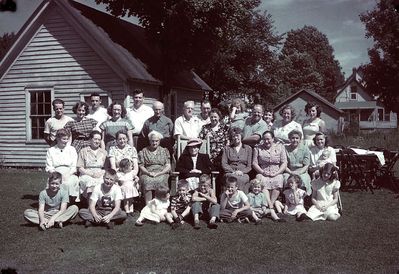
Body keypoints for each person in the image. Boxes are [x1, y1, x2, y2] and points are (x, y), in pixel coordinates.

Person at [252, 131, 287, 214]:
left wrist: (278, 172)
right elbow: (254, 163)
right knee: (260, 179)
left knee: (279, 179)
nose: (266, 141)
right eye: (264, 139)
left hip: (276, 171)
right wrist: (262, 172)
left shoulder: (280, 147)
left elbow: (284, 162)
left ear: (273, 139)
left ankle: (270, 204)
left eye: (268, 139)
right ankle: (270, 204)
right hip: (263, 171)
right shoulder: (258, 148)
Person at [45, 128, 79, 201]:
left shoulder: (72, 149)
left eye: (67, 139)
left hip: (69, 173)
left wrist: (68, 174)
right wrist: (56, 175)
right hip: (55, 174)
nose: (66, 141)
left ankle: (68, 202)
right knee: (56, 183)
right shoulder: (51, 150)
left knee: (69, 182)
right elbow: (49, 167)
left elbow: (74, 166)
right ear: (57, 138)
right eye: (64, 139)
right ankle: (55, 203)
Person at [138, 130, 171, 204]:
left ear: (159, 141)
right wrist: (148, 173)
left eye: (156, 141)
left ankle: (162, 204)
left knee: (162, 180)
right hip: (148, 172)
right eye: (152, 141)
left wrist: (160, 173)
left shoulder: (164, 151)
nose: (154, 143)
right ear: (149, 141)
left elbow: (168, 166)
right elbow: (141, 166)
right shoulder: (144, 151)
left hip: (162, 172)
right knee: (147, 180)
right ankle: (148, 206)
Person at [77, 130, 107, 200]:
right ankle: (91, 206)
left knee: (104, 182)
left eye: (99, 140)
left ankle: (101, 205)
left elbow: (106, 168)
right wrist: (91, 174)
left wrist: (100, 173)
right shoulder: (83, 151)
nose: (97, 141)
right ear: (90, 139)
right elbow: (80, 168)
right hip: (87, 173)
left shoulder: (104, 152)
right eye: (95, 139)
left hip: (100, 174)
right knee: (90, 182)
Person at [221, 127, 252, 193]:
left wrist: (242, 172)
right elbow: (224, 164)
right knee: (233, 178)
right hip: (230, 172)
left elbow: (249, 166)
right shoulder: (227, 149)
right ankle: (231, 200)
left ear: (241, 136)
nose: (235, 138)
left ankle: (242, 200)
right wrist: (233, 171)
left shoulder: (248, 148)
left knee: (243, 179)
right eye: (233, 136)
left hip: (243, 173)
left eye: (237, 135)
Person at [283, 129, 312, 195]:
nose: (295, 140)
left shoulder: (305, 148)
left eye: (297, 138)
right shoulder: (285, 148)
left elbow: (306, 165)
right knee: (285, 178)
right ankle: (288, 198)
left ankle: (303, 198)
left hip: (302, 171)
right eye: (293, 138)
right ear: (289, 139)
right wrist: (291, 172)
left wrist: (299, 172)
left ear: (300, 139)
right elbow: (284, 164)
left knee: (305, 179)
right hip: (289, 171)